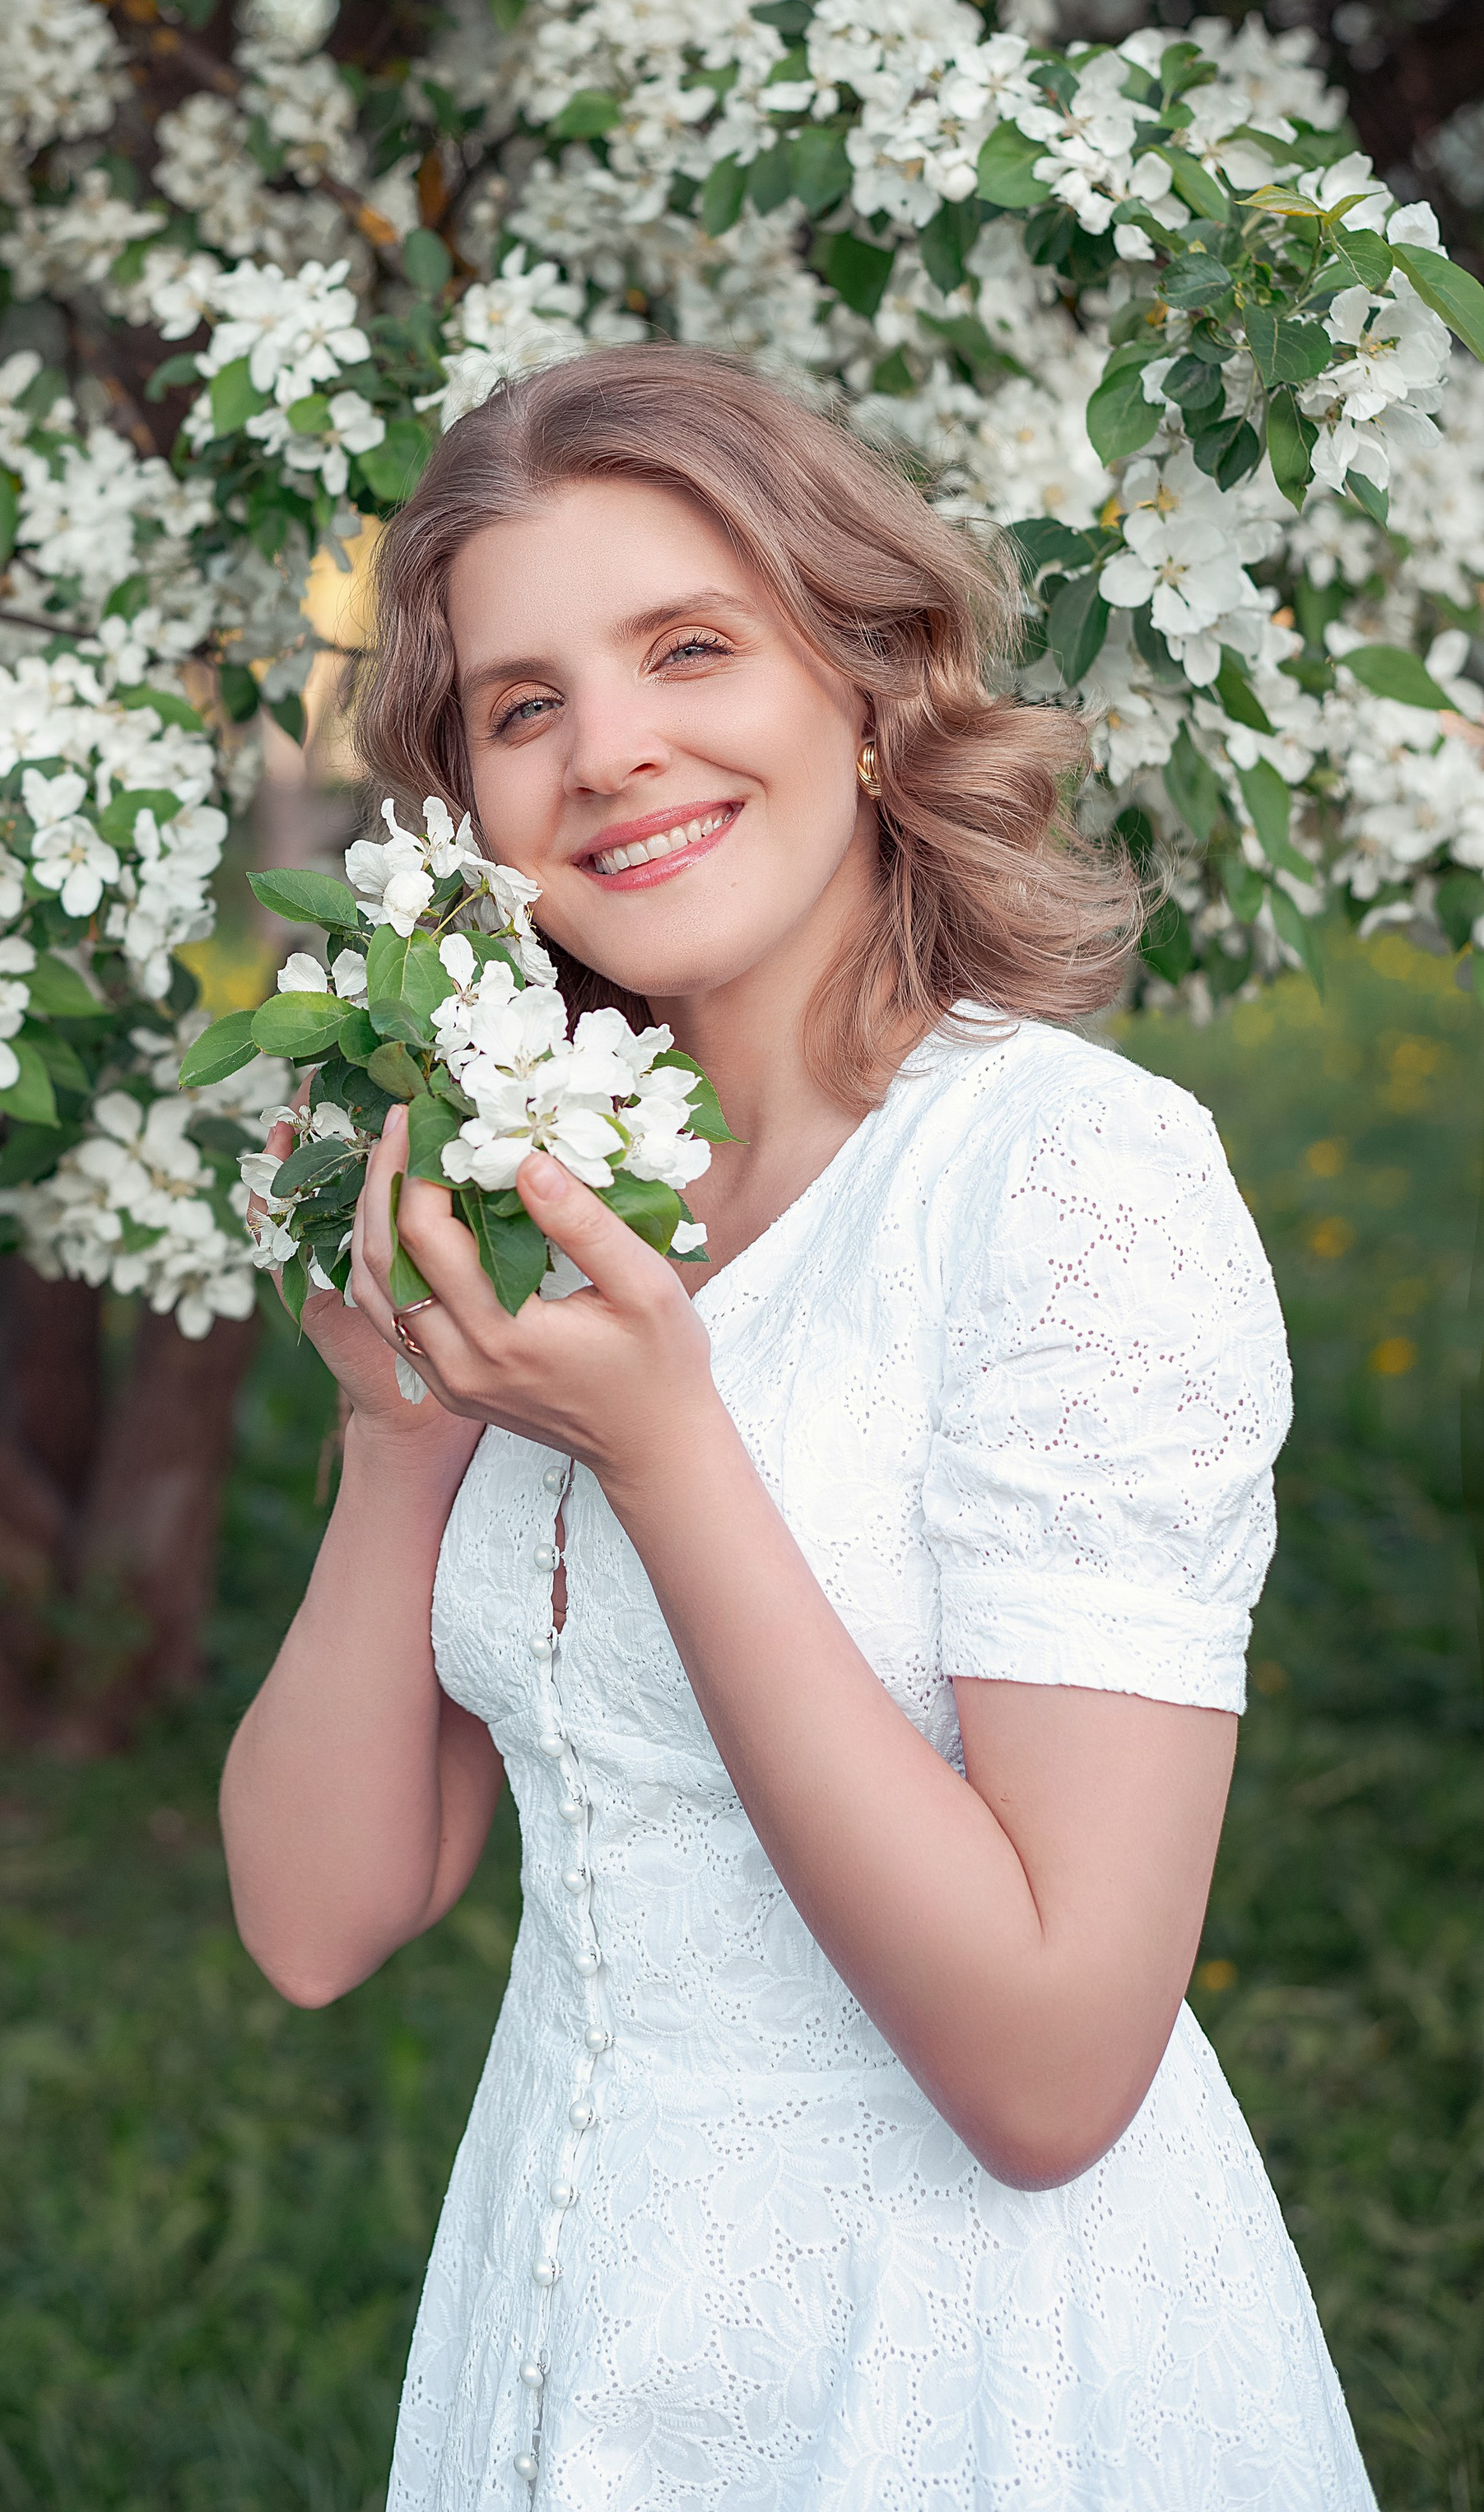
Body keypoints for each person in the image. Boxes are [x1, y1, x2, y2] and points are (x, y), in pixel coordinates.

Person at [219, 346, 1375, 2510]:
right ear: (465, 815)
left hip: (957, 2367)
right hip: (566, 2322)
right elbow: (315, 1917)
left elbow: (1051, 2074)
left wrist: (668, 1458)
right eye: (525, 705)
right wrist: (396, 1433)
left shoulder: (1063, 1184)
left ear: (864, 682)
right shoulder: (546, 1187)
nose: (610, 749)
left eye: (689, 647)